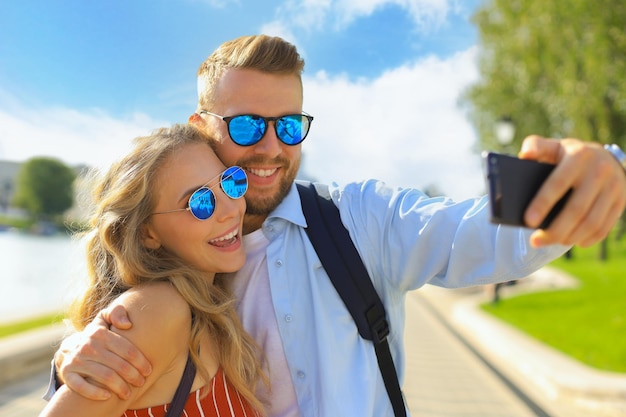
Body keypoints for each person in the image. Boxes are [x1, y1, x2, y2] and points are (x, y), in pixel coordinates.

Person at [50, 35, 626, 417]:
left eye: (290, 125)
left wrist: (596, 172)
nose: (272, 148)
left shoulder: (362, 218)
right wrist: (71, 361)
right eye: (248, 126)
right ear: (202, 124)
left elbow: (478, 236)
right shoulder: (181, 263)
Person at [40, 124, 267, 417]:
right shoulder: (159, 310)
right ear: (148, 233)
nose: (230, 209)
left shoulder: (204, 310)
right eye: (199, 202)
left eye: (230, 183)